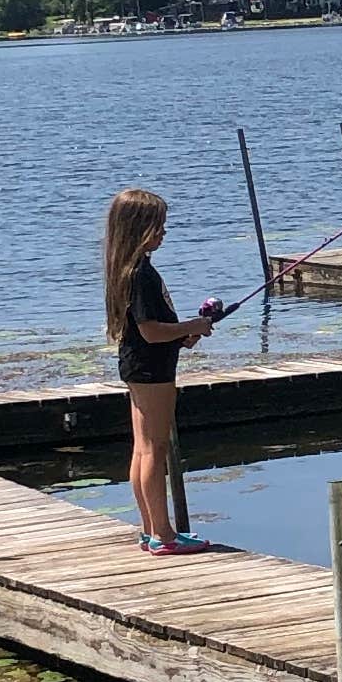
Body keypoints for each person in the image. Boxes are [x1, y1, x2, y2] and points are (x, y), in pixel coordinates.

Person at [101, 184, 225, 549]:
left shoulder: (126, 269)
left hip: (137, 364)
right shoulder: (141, 274)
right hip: (152, 369)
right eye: (159, 226)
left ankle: (150, 530)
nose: (164, 233)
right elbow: (152, 331)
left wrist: (188, 334)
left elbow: (154, 332)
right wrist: (191, 326)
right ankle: (164, 535)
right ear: (139, 228)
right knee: (154, 448)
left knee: (142, 448)